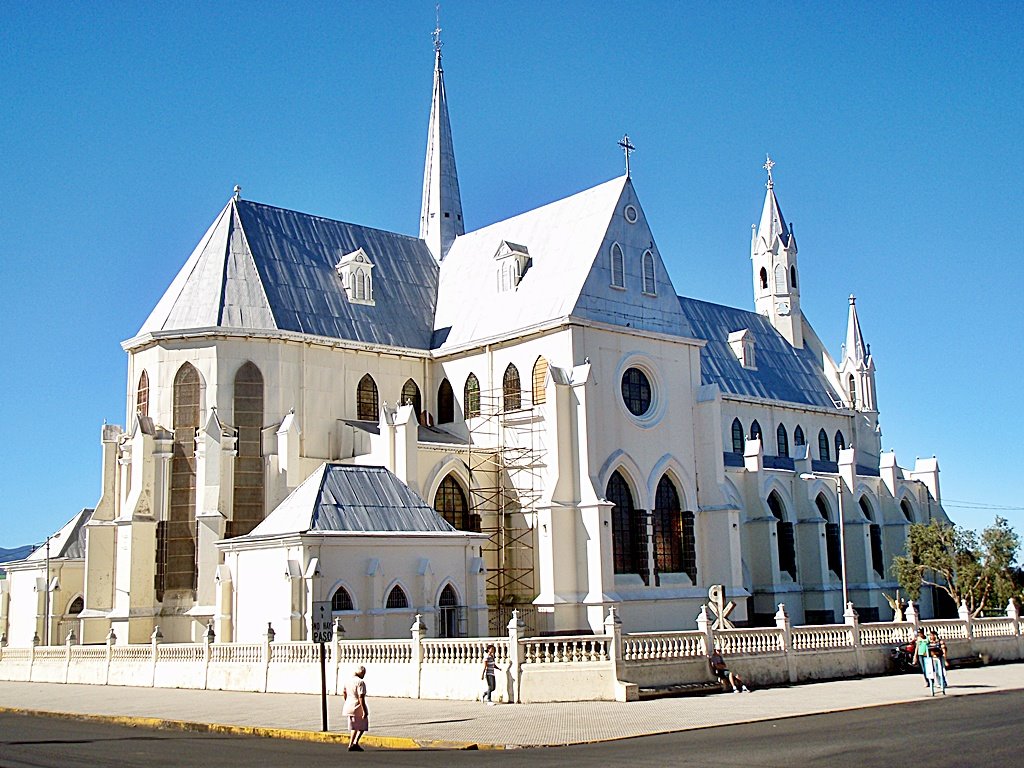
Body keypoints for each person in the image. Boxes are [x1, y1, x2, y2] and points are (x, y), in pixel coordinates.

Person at [342, 665, 369, 751]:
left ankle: (351, 744)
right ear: (361, 673)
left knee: (354, 726)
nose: (364, 675)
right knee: (363, 725)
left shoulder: (348, 681)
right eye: (363, 673)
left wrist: (347, 701)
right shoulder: (360, 682)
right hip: (357, 706)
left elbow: (344, 693)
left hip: (349, 705)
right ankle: (355, 742)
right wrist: (364, 710)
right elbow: (361, 697)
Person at [926, 630, 948, 696]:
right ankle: (939, 683)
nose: (931, 637)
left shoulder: (940, 642)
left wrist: (945, 659)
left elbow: (944, 650)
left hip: (940, 658)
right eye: (930, 635)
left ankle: (943, 682)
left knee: (942, 671)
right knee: (936, 671)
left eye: (932, 635)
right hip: (933, 658)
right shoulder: (930, 643)